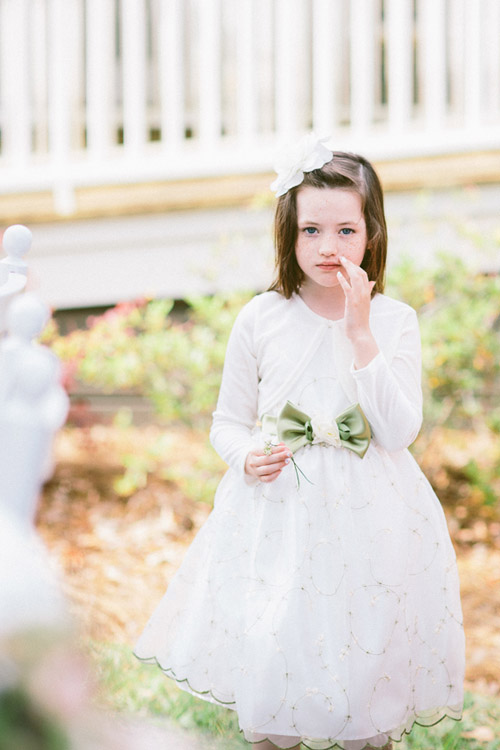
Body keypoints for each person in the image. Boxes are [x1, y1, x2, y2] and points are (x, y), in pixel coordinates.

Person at [134, 134, 465, 750]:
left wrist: (360, 332)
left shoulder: (395, 323)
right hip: (279, 514)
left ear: (372, 234)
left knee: (365, 657)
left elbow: (397, 431)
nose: (328, 246)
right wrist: (244, 457)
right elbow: (227, 420)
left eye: (346, 231)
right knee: (276, 649)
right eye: (311, 230)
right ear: (288, 234)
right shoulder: (262, 317)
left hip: (372, 516)